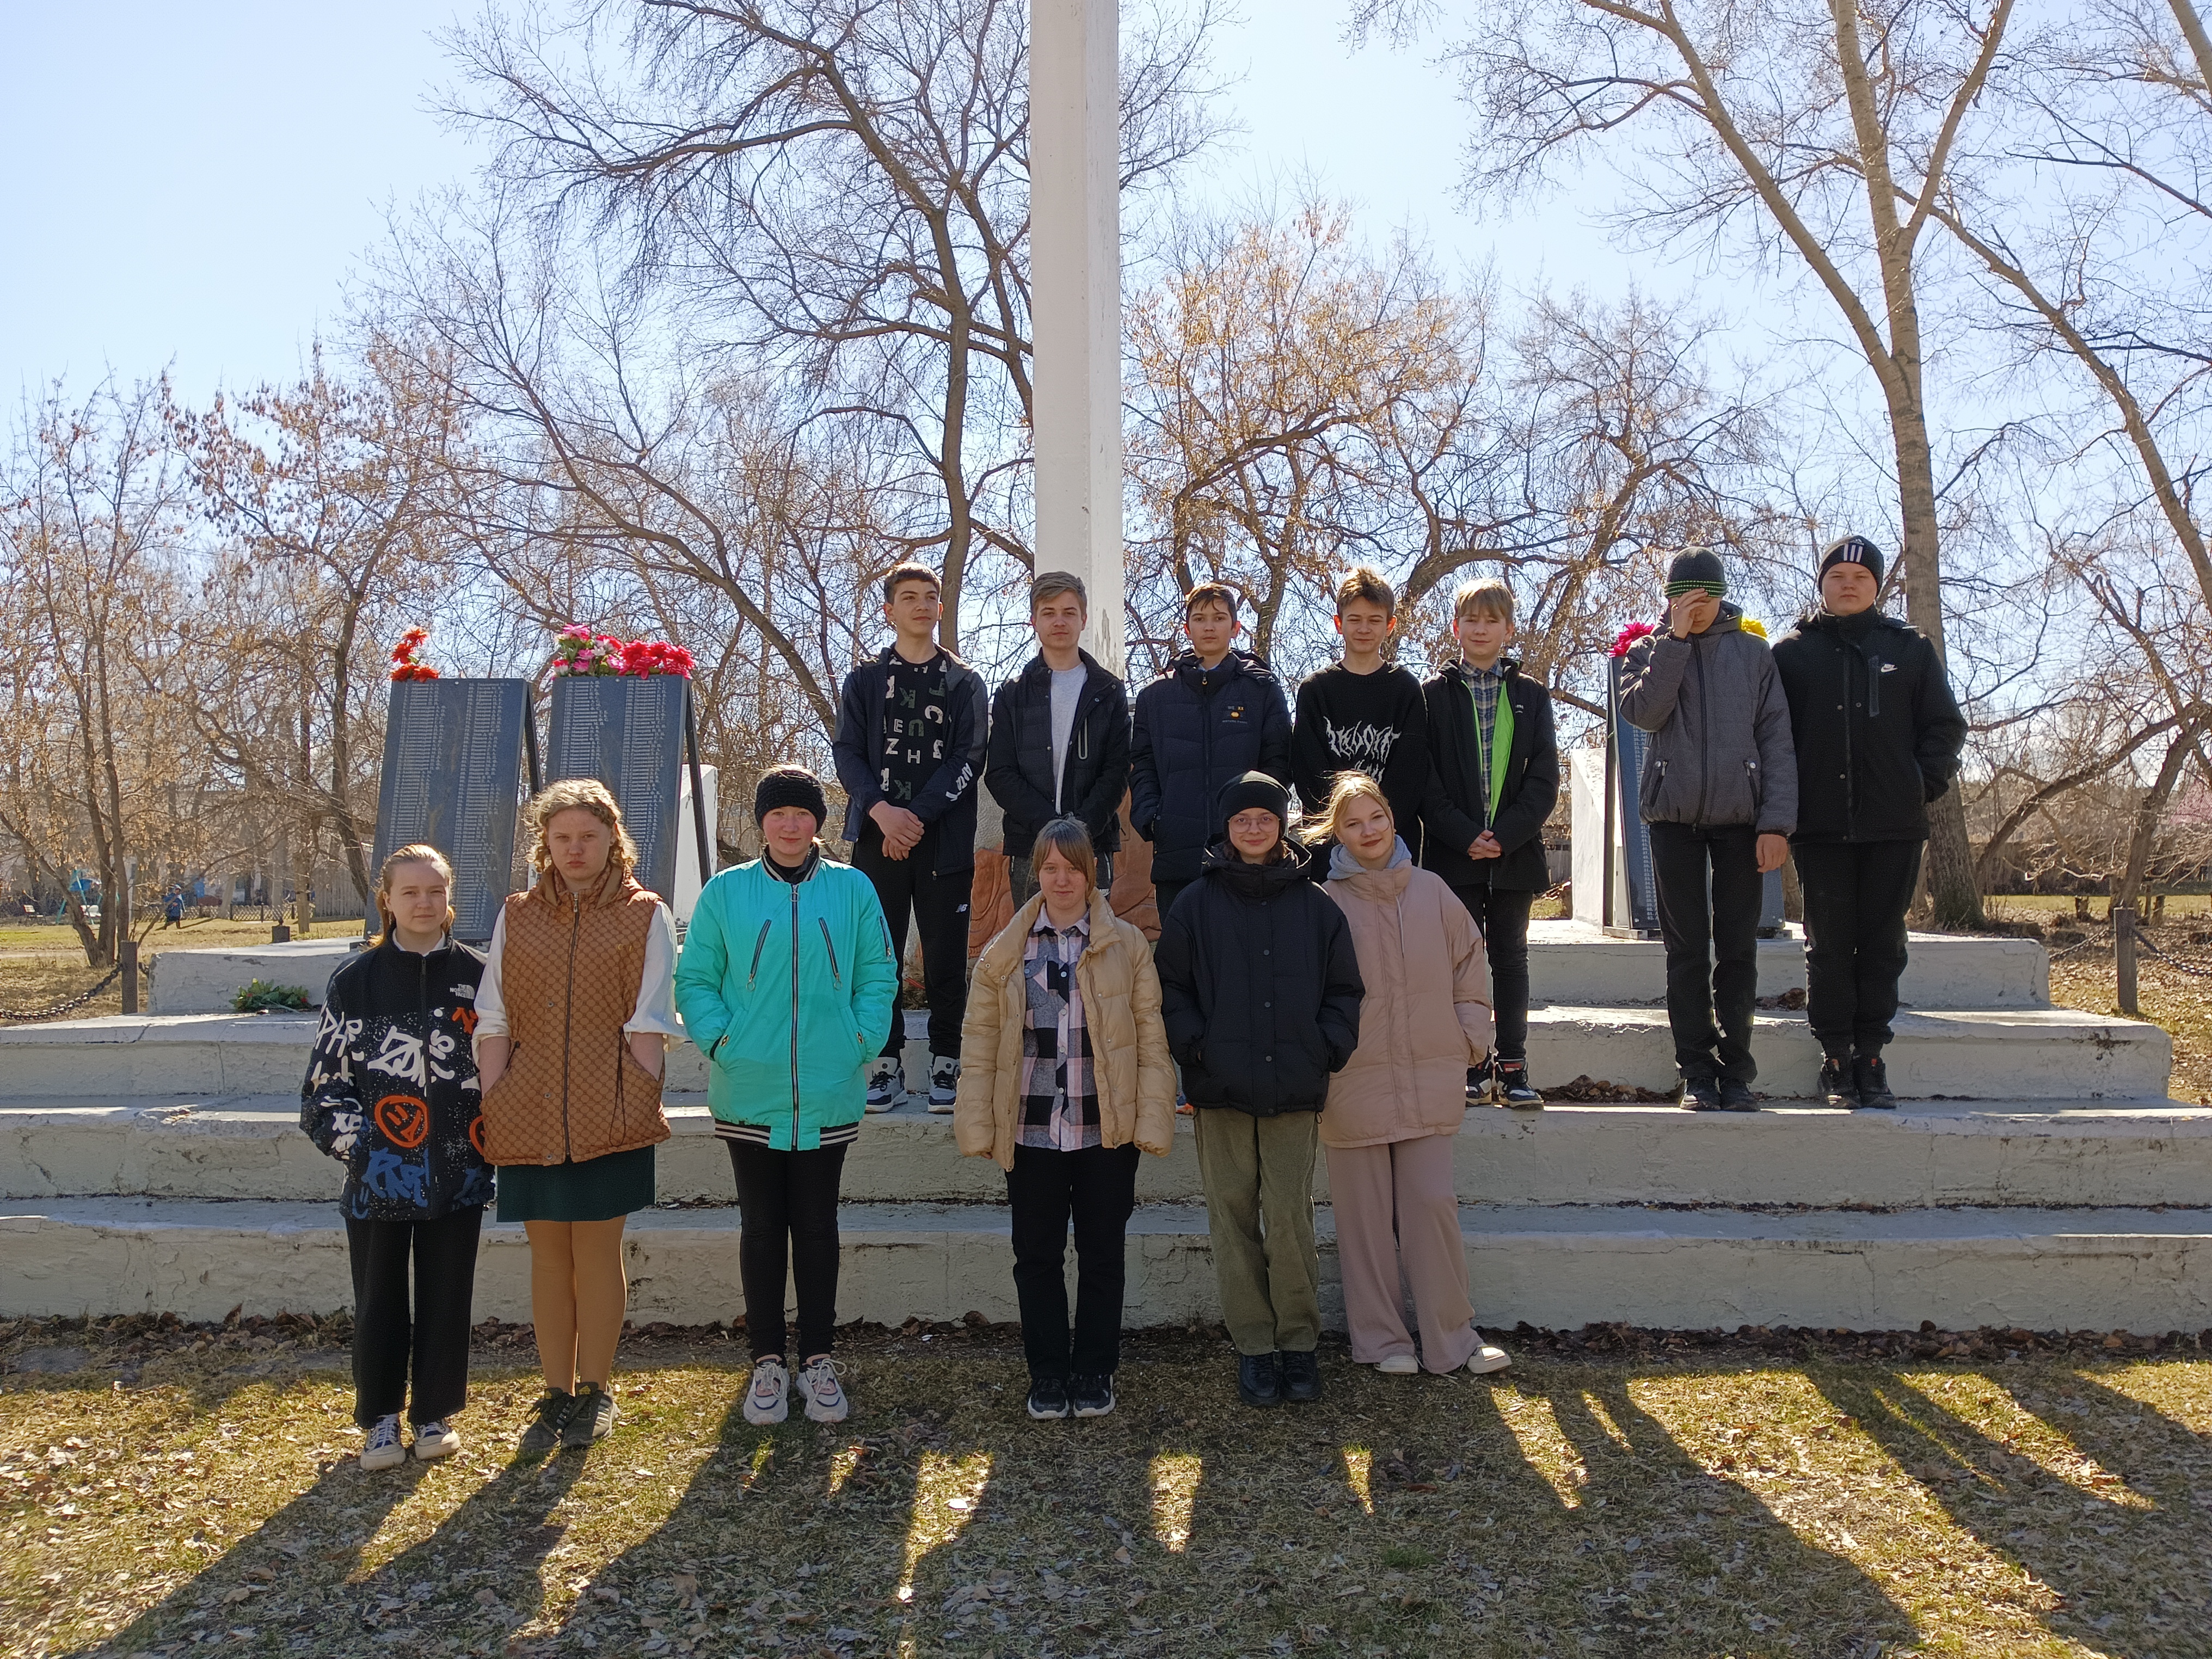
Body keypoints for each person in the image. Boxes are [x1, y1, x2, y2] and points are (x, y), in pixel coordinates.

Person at [675, 764, 899, 1428]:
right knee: (763, 1227)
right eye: (778, 814)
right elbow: (696, 981)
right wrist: (722, 1043)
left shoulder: (853, 890)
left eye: (803, 813)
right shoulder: (726, 892)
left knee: (819, 1225)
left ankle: (819, 1360)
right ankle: (767, 1361)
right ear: (762, 822)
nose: (791, 824)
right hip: (750, 1090)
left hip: (828, 1089)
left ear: (818, 822)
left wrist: (858, 1042)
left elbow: (877, 973)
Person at [475, 779, 679, 1453]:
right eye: (561, 838)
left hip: (610, 1101)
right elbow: (495, 1014)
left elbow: (650, 1019)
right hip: (527, 1103)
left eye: (586, 837)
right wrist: (496, 1093)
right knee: (545, 1255)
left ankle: (596, 1389)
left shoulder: (644, 913)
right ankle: (553, 1392)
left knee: (594, 1250)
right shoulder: (518, 913)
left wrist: (638, 1092)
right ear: (545, 844)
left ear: (611, 838)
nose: (574, 849)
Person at [954, 816, 1175, 1421]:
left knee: (1103, 1253)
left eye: (1071, 867)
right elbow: (979, 1041)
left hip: (1103, 1127)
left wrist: (1152, 1117)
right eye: (1049, 867)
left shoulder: (1125, 945)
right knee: (1037, 1256)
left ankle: (1095, 1369)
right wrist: (974, 1120)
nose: (1060, 879)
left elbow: (1150, 1040)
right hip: (1029, 1131)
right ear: (1036, 873)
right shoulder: (1005, 950)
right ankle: (1048, 1372)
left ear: (1091, 872)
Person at [1156, 772, 1363, 1409]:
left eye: (1265, 818)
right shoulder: (1194, 904)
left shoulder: (1318, 907)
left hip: (1294, 1088)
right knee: (1232, 1218)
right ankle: (1254, 1346)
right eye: (1242, 818)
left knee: (1290, 1220)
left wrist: (1327, 1046)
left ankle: (1297, 1344)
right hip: (1218, 1088)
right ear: (1227, 827)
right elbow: (1172, 991)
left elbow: (1343, 992)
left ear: (1283, 826)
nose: (1253, 827)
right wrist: (1195, 1047)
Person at [302, 844, 492, 1470]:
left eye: (435, 891)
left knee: (446, 1293)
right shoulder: (355, 981)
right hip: (379, 1177)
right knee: (380, 1298)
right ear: (387, 900)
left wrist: (486, 1146)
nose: (423, 903)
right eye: (410, 892)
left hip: (458, 1173)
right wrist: (362, 1148)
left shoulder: (479, 975)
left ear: (449, 896)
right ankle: (380, 1419)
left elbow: (500, 1071)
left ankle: (434, 1413)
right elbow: (324, 1089)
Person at [1317, 776, 1513, 1377]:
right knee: (1364, 1219)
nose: (1367, 831)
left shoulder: (1431, 891)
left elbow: (1468, 962)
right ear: (1337, 833)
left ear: (1391, 819)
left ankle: (1451, 1339)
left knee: (1431, 1205)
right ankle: (1381, 1343)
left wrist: (1467, 1035)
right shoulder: (1324, 902)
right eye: (1352, 823)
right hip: (1352, 1081)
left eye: (1374, 817)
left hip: (1428, 1075)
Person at [1772, 535, 1967, 1110]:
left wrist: (1918, 783)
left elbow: (1943, 727)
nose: (1849, 583)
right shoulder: (1791, 653)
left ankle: (1871, 1058)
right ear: (1822, 584)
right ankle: (1835, 1058)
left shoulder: (1908, 650)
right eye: (1837, 575)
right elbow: (1771, 737)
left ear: (1877, 585)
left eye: (1861, 576)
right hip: (1819, 829)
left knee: (1882, 943)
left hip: (1894, 826)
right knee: (1829, 946)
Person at [1617, 548, 1798, 1112]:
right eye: (1683, 596)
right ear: (1669, 599)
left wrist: (1775, 824)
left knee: (1738, 950)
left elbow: (1776, 742)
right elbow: (1643, 714)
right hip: (1672, 819)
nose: (1695, 608)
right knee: (1686, 950)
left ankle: (1736, 1071)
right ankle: (1695, 1069)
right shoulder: (1645, 652)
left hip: (1740, 823)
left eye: (1705, 596)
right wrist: (1672, 643)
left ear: (1721, 595)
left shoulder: (1752, 653)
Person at [832, 562, 989, 1114]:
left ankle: (948, 1059)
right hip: (878, 840)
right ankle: (885, 1062)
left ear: (940, 609)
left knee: (946, 958)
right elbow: (847, 753)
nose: (921, 605)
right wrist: (881, 812)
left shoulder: (964, 682)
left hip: (943, 841)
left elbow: (967, 757)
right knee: (878, 958)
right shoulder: (865, 680)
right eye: (908, 597)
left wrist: (912, 818)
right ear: (889, 610)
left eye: (930, 597)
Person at [1417, 576, 1560, 1109]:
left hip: (1514, 855)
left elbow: (1544, 779)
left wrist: (1502, 836)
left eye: (1490, 620)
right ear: (1455, 628)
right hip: (1453, 856)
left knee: (1510, 958)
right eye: (1470, 620)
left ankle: (1513, 1064)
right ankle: (1471, 1063)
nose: (1480, 629)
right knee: (1461, 962)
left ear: (1506, 627)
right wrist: (1462, 835)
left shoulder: (1530, 695)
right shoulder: (1430, 696)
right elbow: (1423, 781)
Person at [1129, 582, 1294, 927]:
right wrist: (1152, 818)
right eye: (1199, 618)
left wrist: (1259, 822)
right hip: (1177, 854)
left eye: (1219, 618)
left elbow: (1278, 764)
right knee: (1181, 965)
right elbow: (1142, 765)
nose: (1209, 626)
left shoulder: (1262, 691)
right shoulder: (1155, 698)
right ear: (1186, 627)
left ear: (1235, 627)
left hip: (1247, 856)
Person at [985, 571, 1132, 910]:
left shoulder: (1108, 691)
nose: (1059, 621)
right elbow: (1001, 774)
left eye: (1069, 612)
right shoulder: (1013, 693)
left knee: (1095, 951)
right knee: (1034, 951)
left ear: (1083, 619)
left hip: (1092, 844)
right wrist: (1048, 828)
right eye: (1049, 613)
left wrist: (1080, 829)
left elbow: (1116, 771)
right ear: (1034, 621)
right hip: (1030, 846)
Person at [1291, 566, 1430, 857]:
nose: (1364, 629)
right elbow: (1309, 772)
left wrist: (1378, 828)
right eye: (1354, 620)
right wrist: (1347, 827)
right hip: (1329, 843)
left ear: (1390, 625)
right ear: (1339, 623)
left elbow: (1411, 772)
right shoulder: (1316, 690)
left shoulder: (1406, 689)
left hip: (1393, 844)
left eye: (1374, 620)